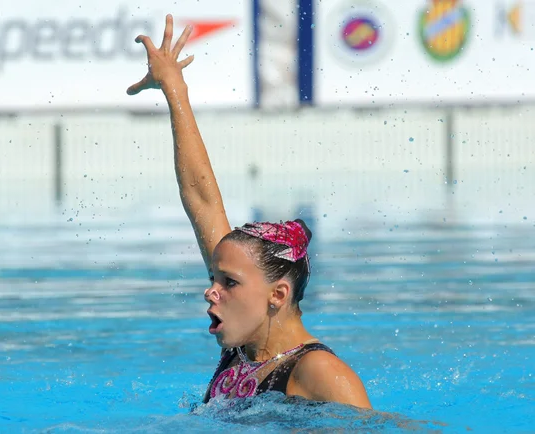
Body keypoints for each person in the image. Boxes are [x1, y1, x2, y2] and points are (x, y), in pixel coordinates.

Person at [127, 14, 372, 410]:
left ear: (277, 294)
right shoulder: (245, 350)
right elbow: (200, 197)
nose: (211, 291)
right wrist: (174, 89)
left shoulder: (318, 372)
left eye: (229, 282)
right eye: (214, 277)